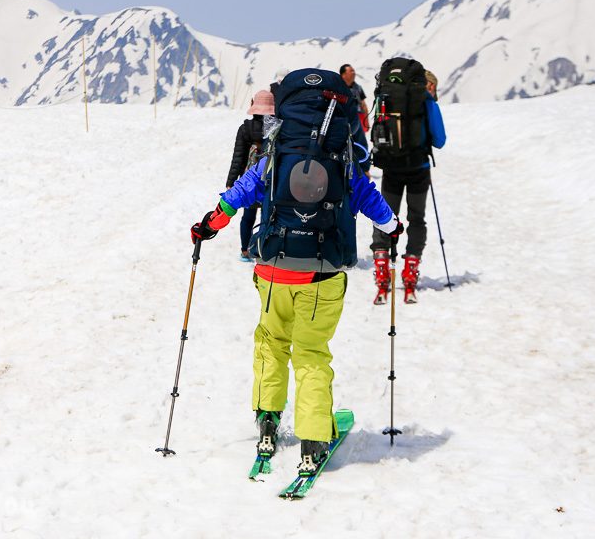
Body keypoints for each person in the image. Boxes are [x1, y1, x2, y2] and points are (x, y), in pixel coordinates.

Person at [191, 69, 403, 475]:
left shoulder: (275, 152)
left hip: (272, 270)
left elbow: (237, 196)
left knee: (271, 344)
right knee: (311, 355)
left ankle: (267, 424)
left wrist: (207, 226)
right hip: (322, 277)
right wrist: (394, 228)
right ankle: (312, 441)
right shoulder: (342, 155)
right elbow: (370, 201)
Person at [370, 68, 446, 304]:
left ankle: (382, 268)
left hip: (391, 167)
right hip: (418, 170)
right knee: (416, 218)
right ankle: (410, 272)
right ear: (428, 85)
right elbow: (440, 140)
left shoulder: (387, 98)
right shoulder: (427, 102)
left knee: (385, 216)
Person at [225, 89, 274, 261]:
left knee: (248, 217)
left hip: (250, 181)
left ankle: (245, 250)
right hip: (271, 180)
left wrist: (231, 181)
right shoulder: (277, 130)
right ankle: (263, 249)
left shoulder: (245, 129)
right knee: (267, 216)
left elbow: (238, 158)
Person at [339, 64, 370, 132]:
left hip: (359, 118)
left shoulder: (358, 88)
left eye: (354, 71)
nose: (354, 73)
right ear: (343, 75)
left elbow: (363, 105)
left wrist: (366, 121)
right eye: (351, 71)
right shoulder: (338, 88)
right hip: (343, 118)